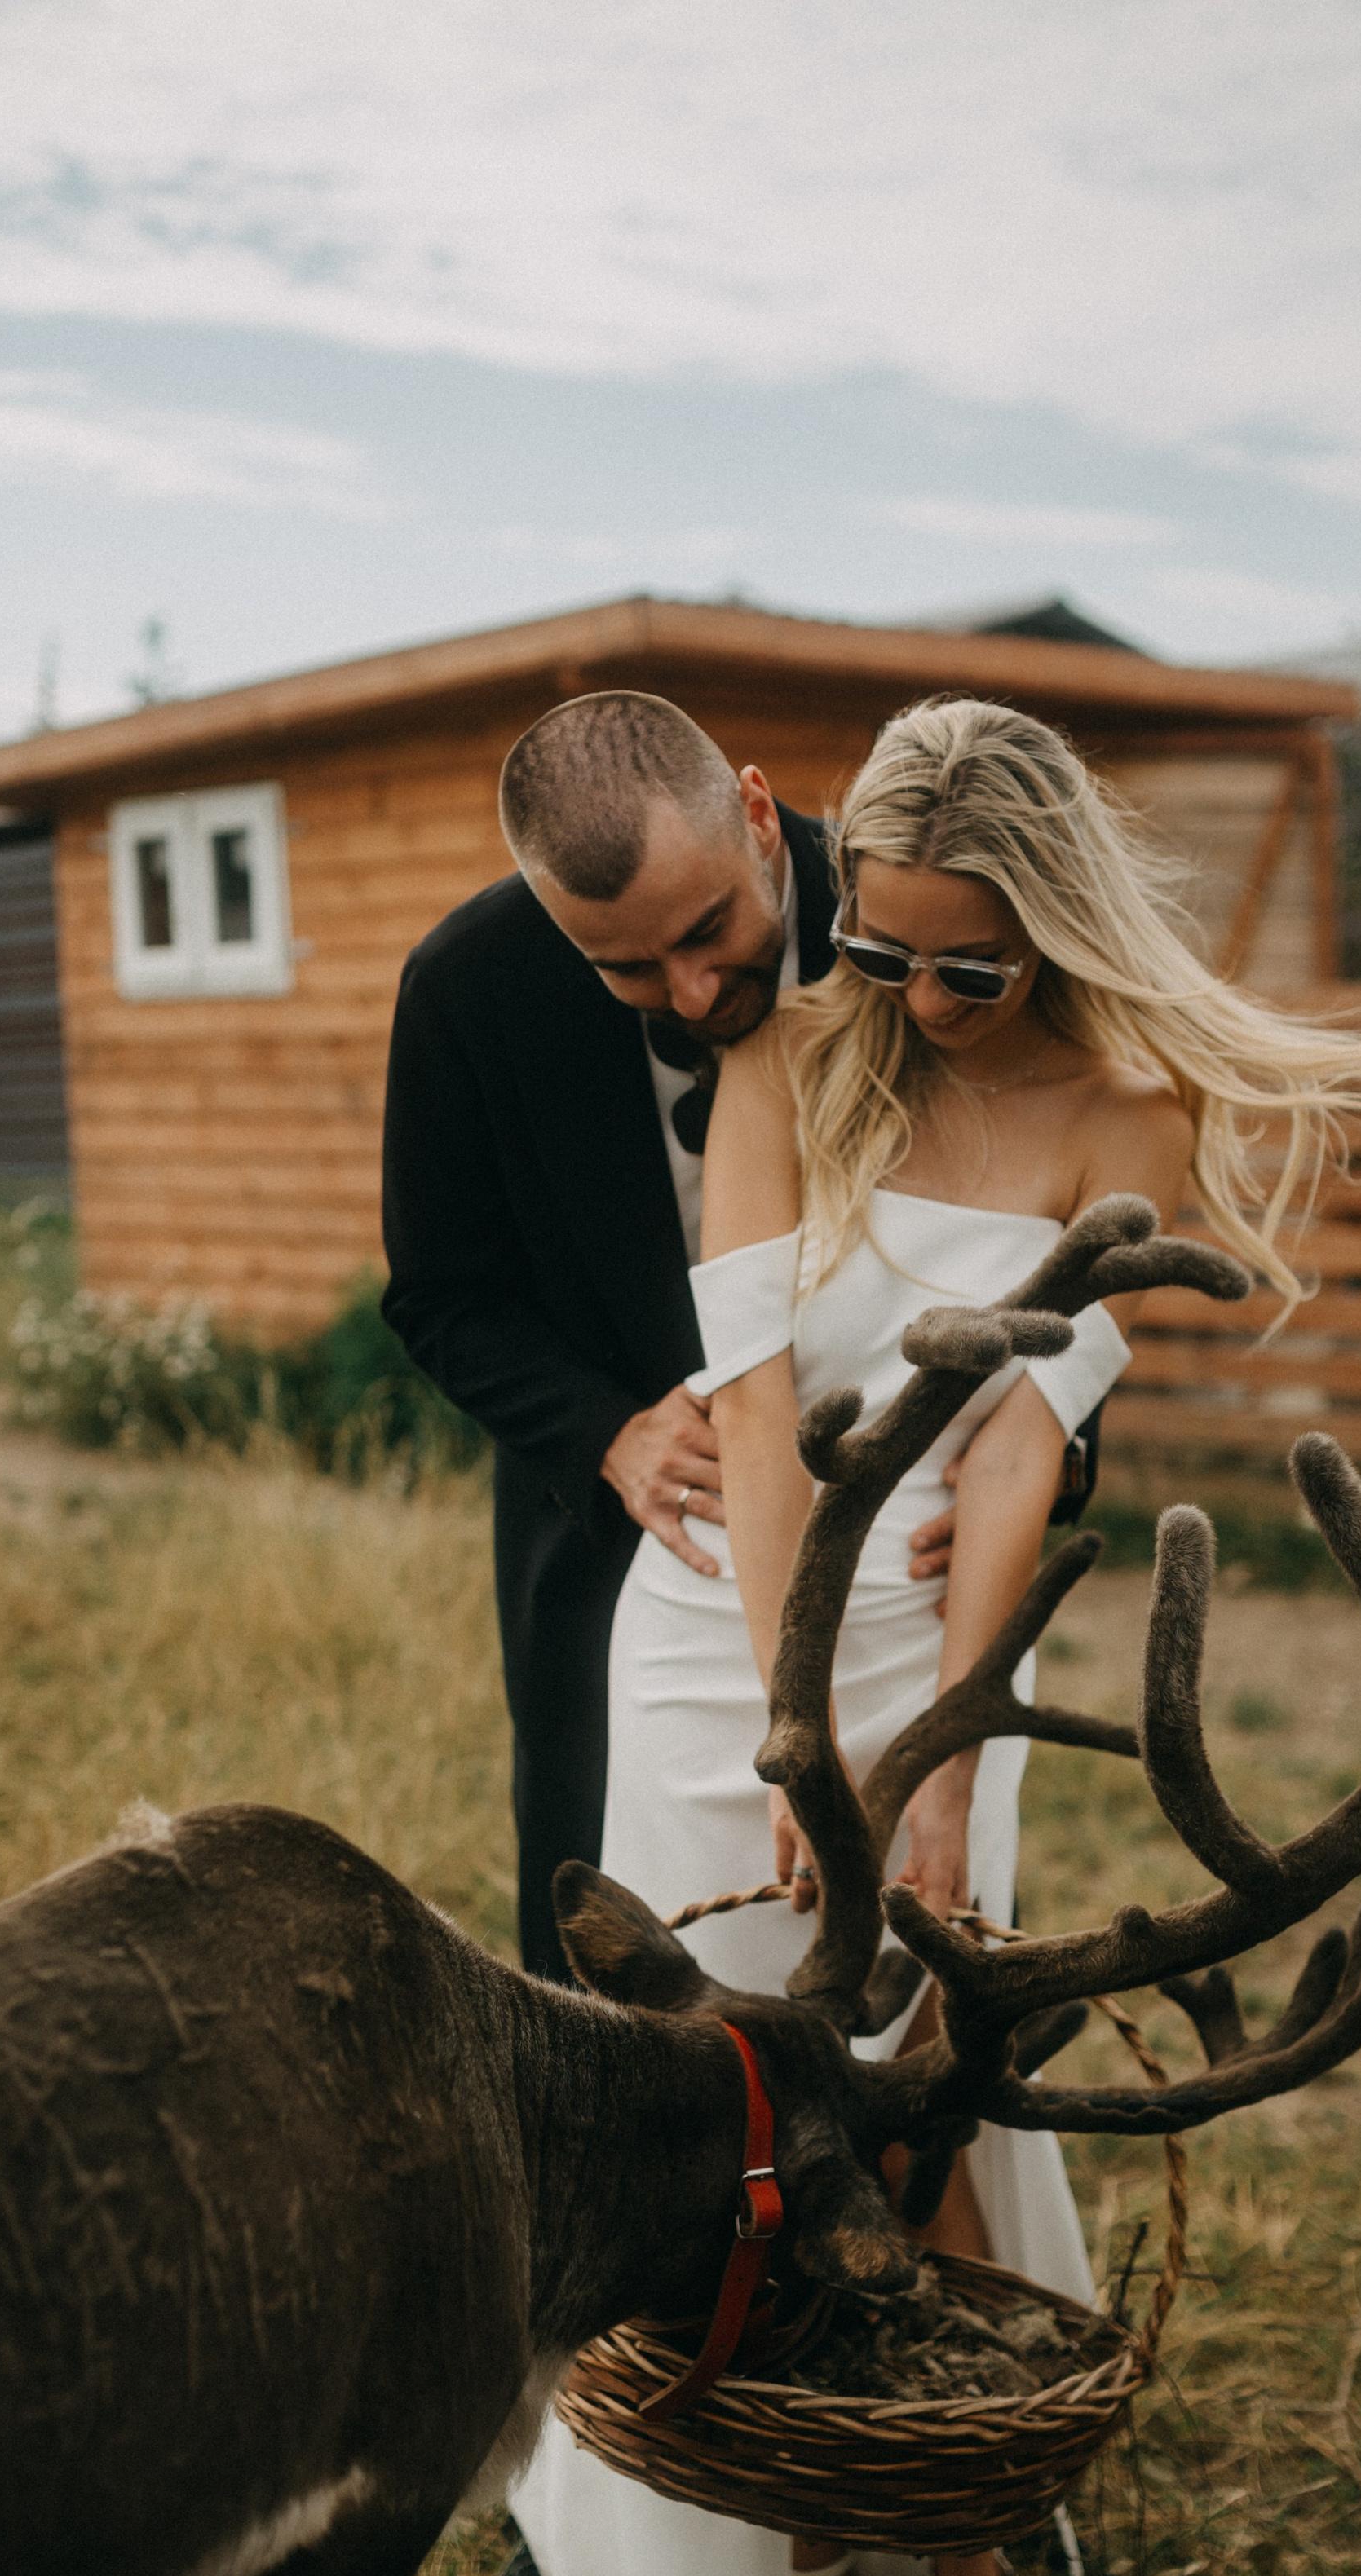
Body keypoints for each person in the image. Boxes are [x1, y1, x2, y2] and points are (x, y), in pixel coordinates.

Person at [511, 694, 1361, 2576]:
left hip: (934, 1652)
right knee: (738, 2118)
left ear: (1053, 931)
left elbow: (1023, 1435)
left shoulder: (1129, 1123)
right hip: (715, 1652)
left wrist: (929, 1767)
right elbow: (758, 1422)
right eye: (885, 951)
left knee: (923, 2093)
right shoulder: (787, 1054)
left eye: (969, 965)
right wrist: (783, 1724)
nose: (915, 1002)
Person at [382, 692, 961, 1981]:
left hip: (904, 1552)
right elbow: (438, 1292)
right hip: (630, 1550)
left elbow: (1042, 1199)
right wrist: (608, 1432)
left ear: (758, 816)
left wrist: (1041, 1443)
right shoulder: (466, 988)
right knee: (612, 1953)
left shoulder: (915, 908)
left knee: (915, 1951)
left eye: (711, 931)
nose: (695, 991)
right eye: (629, 970)